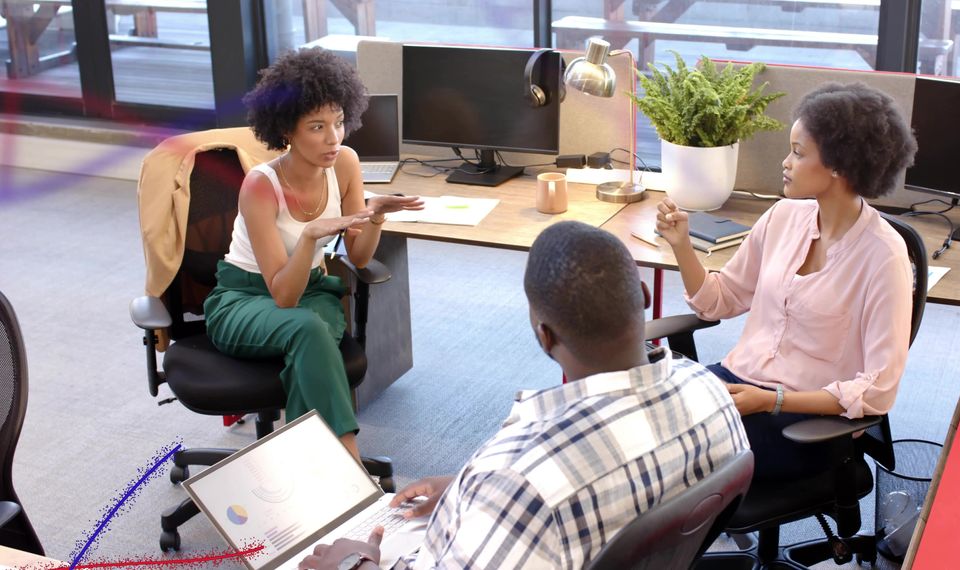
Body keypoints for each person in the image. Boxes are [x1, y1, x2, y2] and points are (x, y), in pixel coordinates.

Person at [299, 221, 749, 570]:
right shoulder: (710, 390)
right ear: (644, 295)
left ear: (544, 336)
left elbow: (533, 490)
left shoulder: (516, 480)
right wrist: (469, 493)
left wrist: (357, 561)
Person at [655, 82, 918, 481]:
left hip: (804, 423)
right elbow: (721, 299)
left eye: (798, 153)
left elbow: (878, 390)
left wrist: (772, 400)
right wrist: (681, 246)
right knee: (642, 425)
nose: (786, 162)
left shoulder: (885, 256)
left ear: (838, 165)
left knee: (672, 463)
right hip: (738, 386)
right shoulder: (783, 217)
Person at [202, 48, 423, 459]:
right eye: (317, 127)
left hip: (313, 292)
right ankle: (347, 461)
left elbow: (357, 258)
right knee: (308, 331)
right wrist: (309, 239)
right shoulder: (260, 185)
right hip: (244, 299)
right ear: (287, 129)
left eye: (339, 123)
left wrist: (374, 218)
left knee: (311, 335)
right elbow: (282, 296)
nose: (333, 138)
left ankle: (305, 471)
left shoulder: (345, 164)